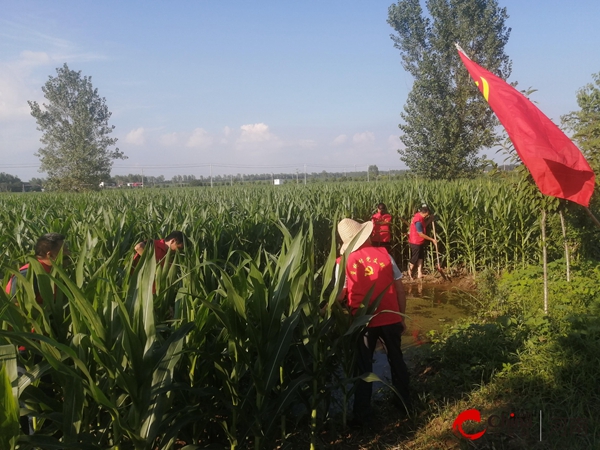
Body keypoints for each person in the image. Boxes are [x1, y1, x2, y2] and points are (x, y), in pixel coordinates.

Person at [336, 218, 412, 427]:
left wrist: (326, 311)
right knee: (396, 360)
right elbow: (399, 289)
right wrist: (401, 316)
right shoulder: (385, 255)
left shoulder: (343, 262)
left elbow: (340, 295)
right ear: (366, 234)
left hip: (362, 321)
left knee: (364, 368)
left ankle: (362, 415)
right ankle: (404, 403)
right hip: (390, 317)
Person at [5, 233, 69, 302]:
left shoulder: (52, 271)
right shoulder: (29, 274)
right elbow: (15, 304)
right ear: (50, 255)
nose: (69, 254)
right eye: (65, 251)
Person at [408, 204, 437, 280]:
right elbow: (421, 234)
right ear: (423, 213)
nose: (426, 216)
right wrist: (432, 239)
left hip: (420, 241)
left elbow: (424, 226)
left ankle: (419, 273)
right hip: (415, 241)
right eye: (426, 215)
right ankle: (409, 272)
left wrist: (430, 219)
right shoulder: (418, 220)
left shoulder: (420, 217)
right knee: (415, 258)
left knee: (421, 257)